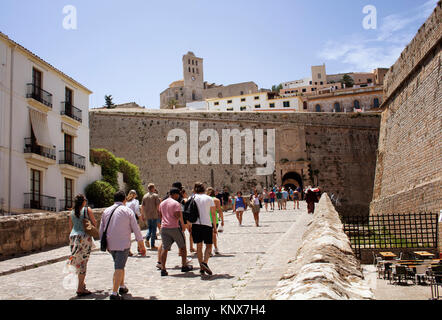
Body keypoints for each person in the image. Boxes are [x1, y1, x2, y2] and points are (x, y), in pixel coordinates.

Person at [99, 191, 146, 300]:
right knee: (119, 267)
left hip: (110, 244)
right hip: (123, 244)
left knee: (119, 264)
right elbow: (136, 229)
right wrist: (141, 245)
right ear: (124, 199)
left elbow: (101, 229)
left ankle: (122, 286)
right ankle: (114, 293)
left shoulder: (106, 211)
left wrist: (103, 243)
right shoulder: (127, 211)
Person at [158, 188, 193, 276]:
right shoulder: (176, 203)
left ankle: (163, 268)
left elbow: (160, 215)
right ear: (175, 194)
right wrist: (183, 225)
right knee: (183, 246)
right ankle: (184, 265)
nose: (178, 196)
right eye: (178, 195)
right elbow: (177, 215)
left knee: (165, 248)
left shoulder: (162, 203)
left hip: (164, 227)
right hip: (174, 227)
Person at [66, 194, 96, 297]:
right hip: (84, 238)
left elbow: (70, 227)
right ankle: (80, 288)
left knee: (77, 261)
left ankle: (81, 284)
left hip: (73, 238)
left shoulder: (71, 213)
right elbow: (94, 223)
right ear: (83, 201)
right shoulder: (87, 210)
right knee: (83, 262)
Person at [192, 182, 217, 275]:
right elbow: (213, 214)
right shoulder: (209, 198)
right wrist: (214, 226)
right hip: (207, 224)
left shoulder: (192, 198)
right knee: (209, 245)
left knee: (199, 246)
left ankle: (201, 267)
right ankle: (205, 263)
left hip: (195, 224)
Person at [141, 183, 161, 250]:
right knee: (154, 230)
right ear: (153, 188)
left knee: (150, 228)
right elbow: (158, 206)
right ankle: (152, 245)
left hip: (147, 215)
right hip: (154, 215)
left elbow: (142, 207)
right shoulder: (155, 196)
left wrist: (143, 215)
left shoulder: (145, 196)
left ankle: (147, 238)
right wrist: (159, 212)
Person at [207, 187, 224, 255]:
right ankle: (215, 248)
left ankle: (209, 250)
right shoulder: (217, 200)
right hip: (214, 220)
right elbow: (220, 211)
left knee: (208, 236)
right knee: (213, 235)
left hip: (206, 219)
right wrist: (222, 220)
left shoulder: (205, 200)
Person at [126, 190, 141, 256]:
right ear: (135, 195)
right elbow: (137, 210)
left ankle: (128, 250)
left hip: (126, 219)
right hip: (133, 218)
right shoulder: (136, 201)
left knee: (127, 235)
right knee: (138, 233)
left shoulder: (126, 201)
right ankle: (140, 248)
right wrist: (140, 217)